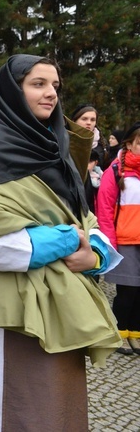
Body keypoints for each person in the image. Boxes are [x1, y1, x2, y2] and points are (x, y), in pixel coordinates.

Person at [0, 55, 121, 430]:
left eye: (55, 85)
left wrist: (98, 253)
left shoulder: (55, 146)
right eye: (38, 84)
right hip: (4, 316)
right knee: (14, 410)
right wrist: (70, 238)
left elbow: (82, 213)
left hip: (62, 312)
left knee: (57, 410)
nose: (51, 93)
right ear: (12, 90)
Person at [96, 121, 140, 355]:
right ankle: (119, 331)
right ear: (130, 144)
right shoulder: (115, 170)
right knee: (127, 291)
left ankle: (135, 333)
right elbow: (103, 208)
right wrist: (110, 243)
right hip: (125, 240)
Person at [71, 103, 110, 169]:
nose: (89, 123)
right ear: (74, 121)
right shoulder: (65, 139)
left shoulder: (102, 144)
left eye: (92, 120)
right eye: (84, 119)